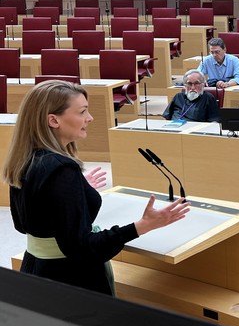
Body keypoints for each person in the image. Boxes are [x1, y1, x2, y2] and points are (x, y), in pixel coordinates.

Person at [3, 80, 189, 295]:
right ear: (53, 120)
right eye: (82, 112)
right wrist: (144, 224)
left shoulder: (26, 159)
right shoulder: (62, 171)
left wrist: (78, 189)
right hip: (69, 281)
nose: (89, 118)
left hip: (36, 268)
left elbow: (23, 223)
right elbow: (83, 250)